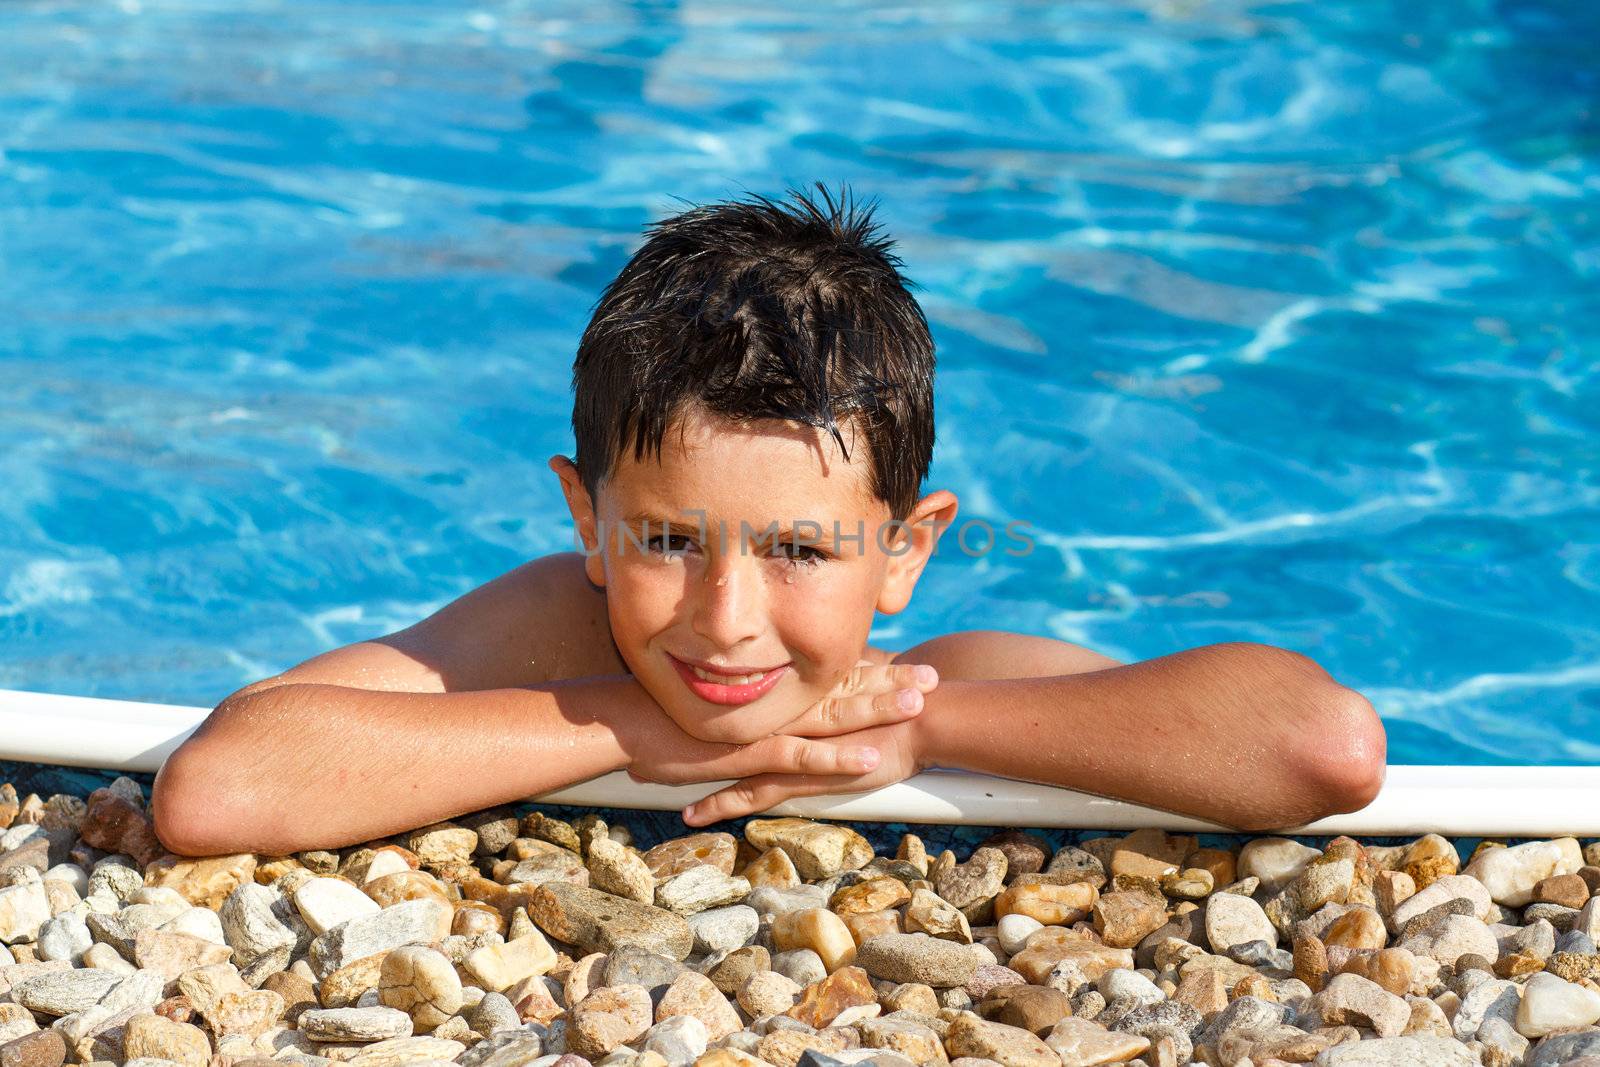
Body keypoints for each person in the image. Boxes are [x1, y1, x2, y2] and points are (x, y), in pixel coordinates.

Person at [150, 185, 1386, 857]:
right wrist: (627, 717)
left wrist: (917, 724)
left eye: (800, 550)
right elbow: (219, 787)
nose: (723, 620)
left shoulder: (929, 685)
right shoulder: (550, 631)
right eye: (668, 541)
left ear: (903, 549)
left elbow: (1321, 747)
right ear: (587, 519)